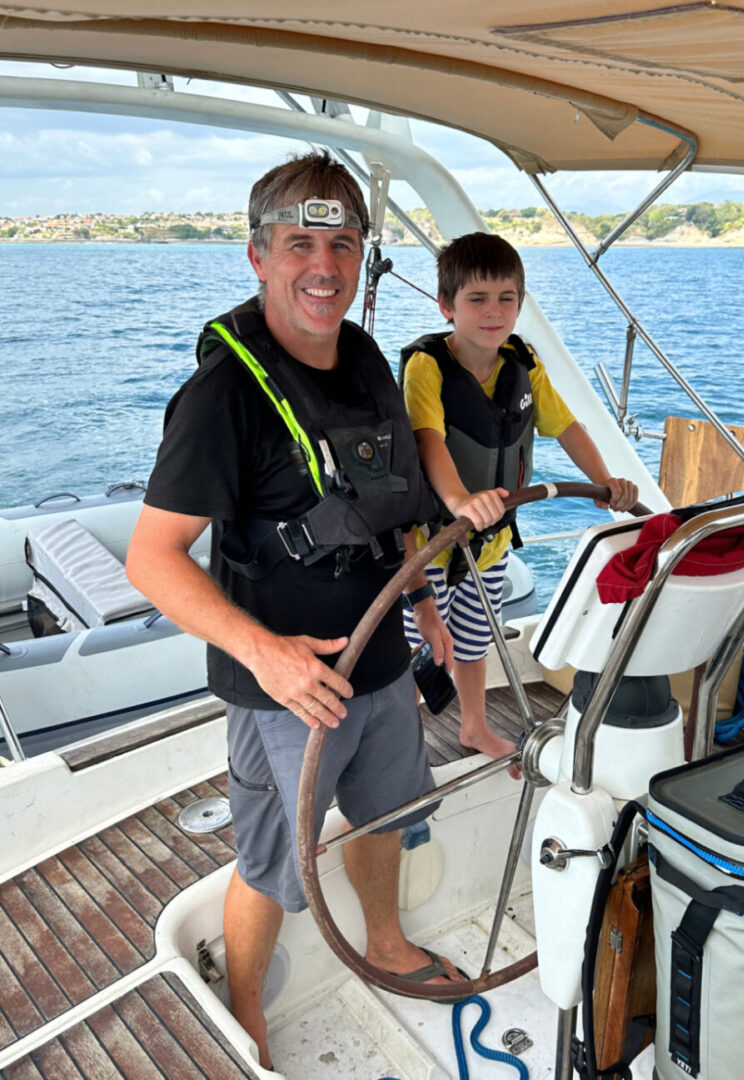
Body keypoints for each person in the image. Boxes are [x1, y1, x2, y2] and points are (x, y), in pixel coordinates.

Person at [125, 151, 489, 1069]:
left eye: (341, 243)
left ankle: (387, 943)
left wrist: (428, 612)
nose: (322, 267)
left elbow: (396, 507)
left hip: (381, 661)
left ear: (362, 254)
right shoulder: (221, 396)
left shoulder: (366, 355)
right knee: (273, 864)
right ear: (258, 256)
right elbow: (151, 558)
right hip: (285, 691)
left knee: (387, 814)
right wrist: (270, 657)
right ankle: (244, 1001)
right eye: (298, 244)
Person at [398, 231, 639, 764]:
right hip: (432, 540)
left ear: (521, 303)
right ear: (446, 307)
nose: (494, 311)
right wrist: (461, 499)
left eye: (507, 298)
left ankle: (474, 728)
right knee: (423, 646)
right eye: (477, 299)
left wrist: (608, 483)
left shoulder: (523, 363)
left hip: (490, 540)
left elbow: (567, 427)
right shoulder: (427, 367)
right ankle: (400, 744)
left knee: (475, 642)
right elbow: (427, 440)